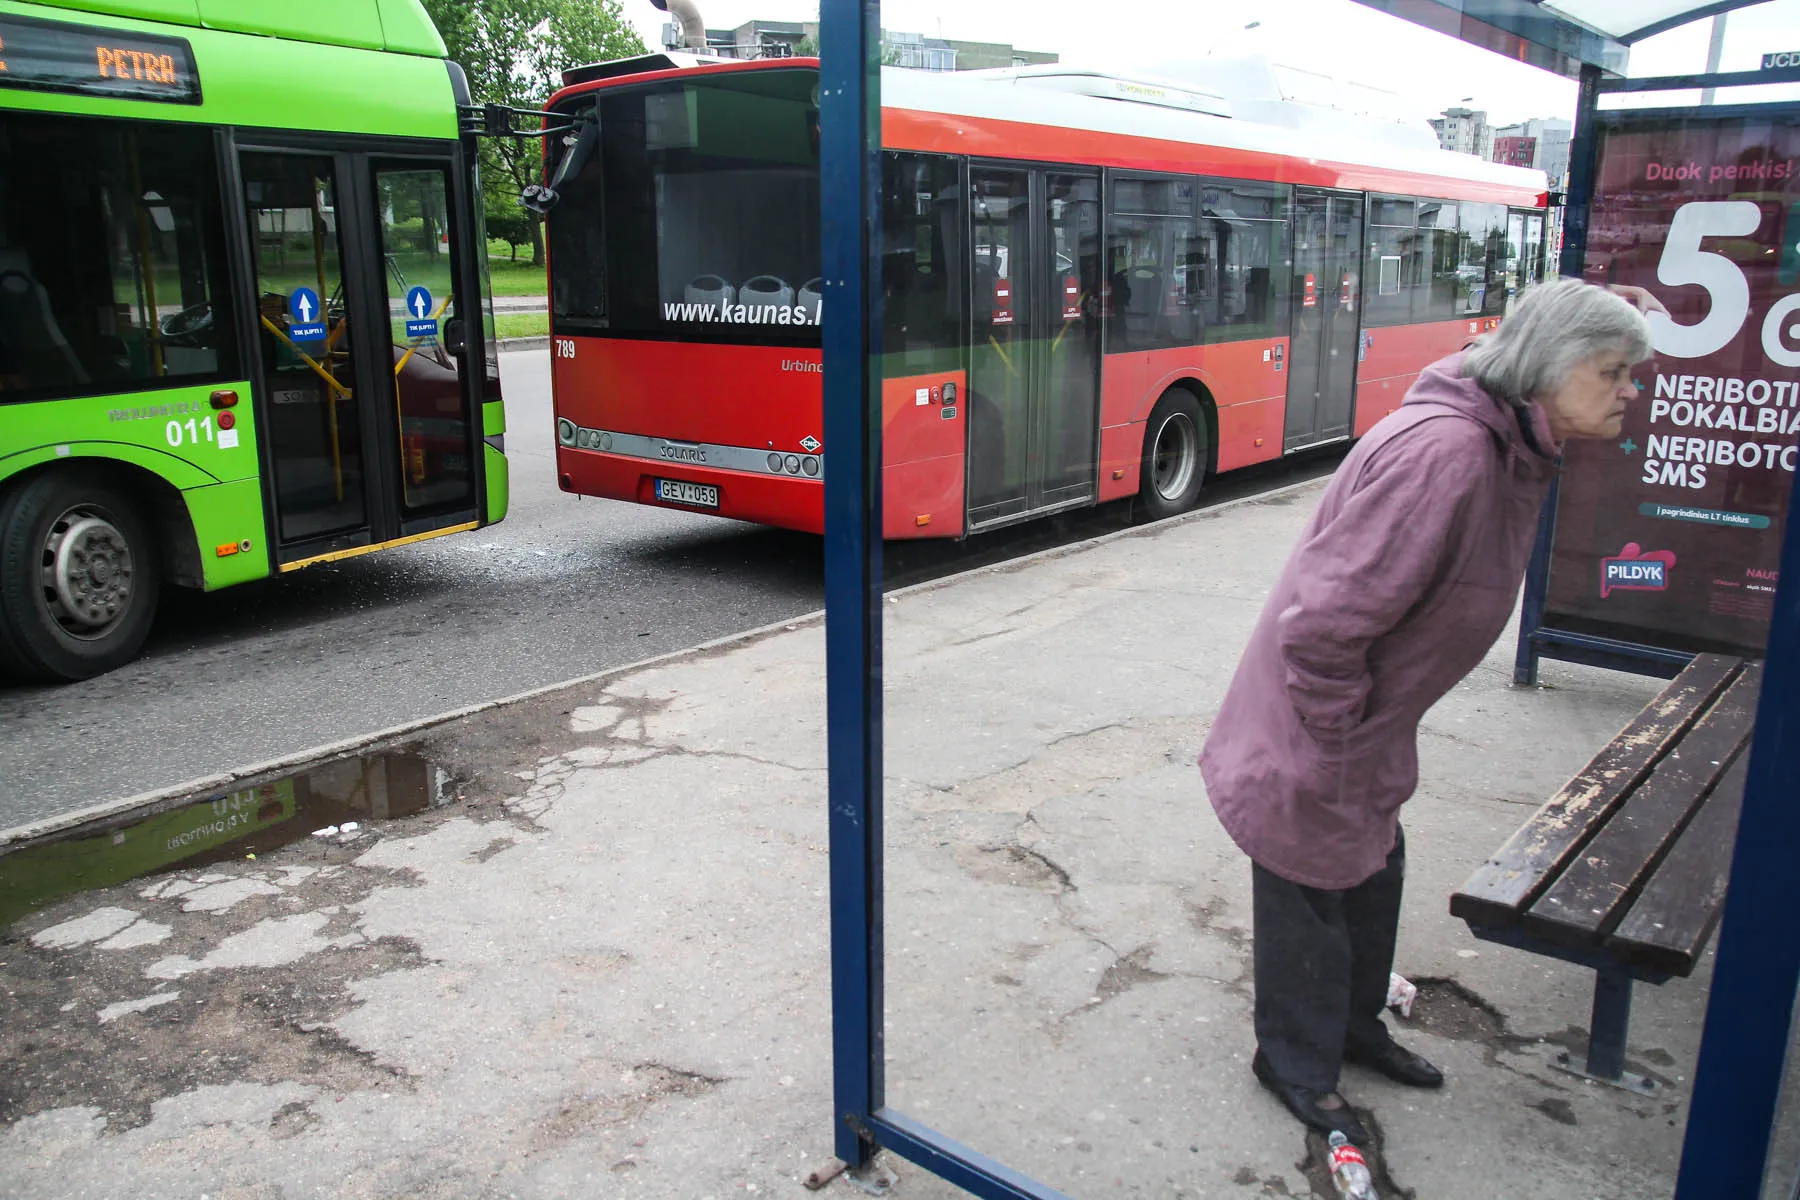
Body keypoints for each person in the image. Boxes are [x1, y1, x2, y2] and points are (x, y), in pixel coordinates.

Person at [1199, 278, 1656, 1146]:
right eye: (1614, 371)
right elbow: (1325, 629)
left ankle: (1354, 1030)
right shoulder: (1447, 454)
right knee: (1311, 891)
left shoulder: (1507, 439)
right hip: (1321, 721)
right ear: (1549, 369)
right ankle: (1295, 1062)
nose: (1629, 390)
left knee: (1371, 871)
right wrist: (1338, 745)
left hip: (1366, 720)